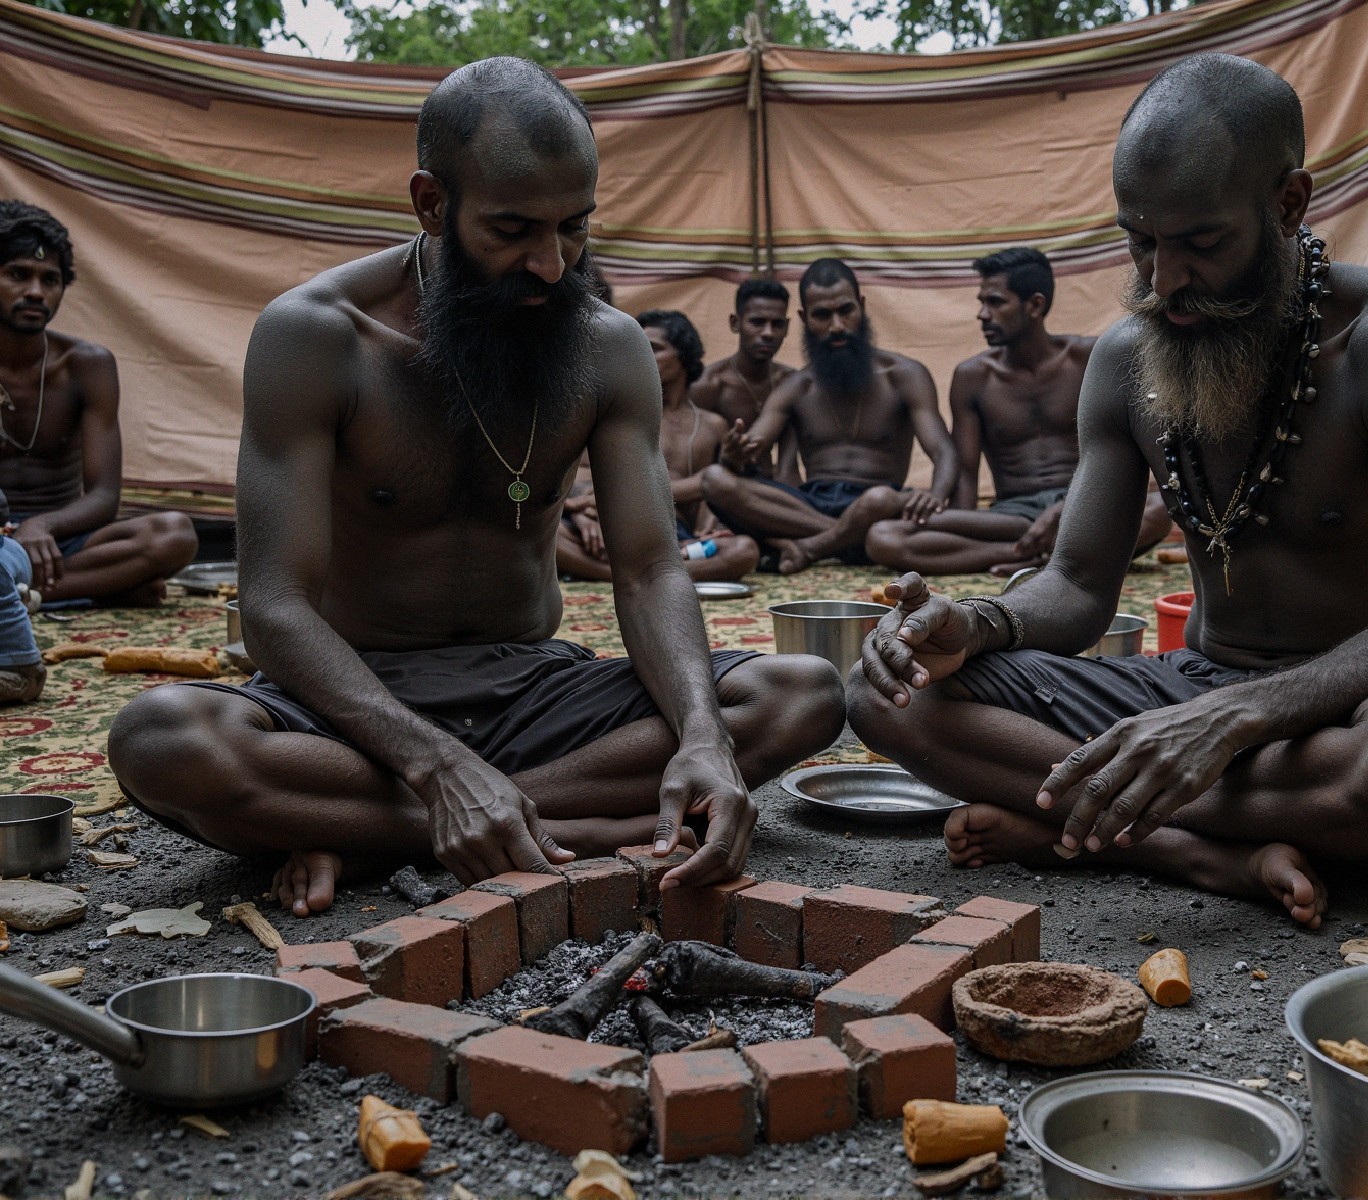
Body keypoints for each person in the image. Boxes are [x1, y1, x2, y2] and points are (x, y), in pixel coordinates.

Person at [106, 59, 844, 917]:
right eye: (513, 230)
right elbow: (275, 608)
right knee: (162, 741)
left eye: (575, 227)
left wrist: (705, 739)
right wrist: (437, 766)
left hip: (533, 688)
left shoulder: (607, 346)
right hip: (356, 705)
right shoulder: (315, 338)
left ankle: (375, 832)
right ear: (430, 204)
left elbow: (647, 569)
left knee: (801, 693)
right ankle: (578, 825)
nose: (551, 266)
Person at [847, 53, 1368, 928]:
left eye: (1200, 244)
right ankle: (1186, 848)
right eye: (1139, 242)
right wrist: (974, 625)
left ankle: (1092, 822)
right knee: (875, 691)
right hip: (1192, 696)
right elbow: (1078, 588)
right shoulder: (1126, 358)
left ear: (1289, 203)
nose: (1164, 284)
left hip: (1348, 715)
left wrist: (1229, 723)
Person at [866, 248, 1172, 576]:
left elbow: (1127, 451)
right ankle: (1031, 554)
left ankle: (1044, 547)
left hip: (1081, 502)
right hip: (1011, 515)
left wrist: (1064, 509)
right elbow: (966, 473)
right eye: (981, 302)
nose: (982, 314)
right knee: (883, 537)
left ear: (1035, 305)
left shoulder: (1088, 358)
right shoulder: (973, 377)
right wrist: (959, 524)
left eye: (995, 302)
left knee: (1159, 510)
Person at [700, 258, 960, 574]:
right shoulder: (796, 386)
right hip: (810, 506)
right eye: (822, 315)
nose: (836, 326)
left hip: (879, 502)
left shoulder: (905, 375)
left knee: (878, 500)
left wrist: (936, 494)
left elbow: (943, 449)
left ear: (861, 307)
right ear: (804, 318)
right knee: (714, 480)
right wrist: (732, 455)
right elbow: (751, 447)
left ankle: (816, 545)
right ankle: (849, 540)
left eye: (845, 311)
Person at [0, 201, 197, 606]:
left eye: (50, 280)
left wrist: (41, 526)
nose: (36, 292)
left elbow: (105, 496)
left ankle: (17, 596)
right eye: (18, 275)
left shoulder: (85, 366)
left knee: (174, 535)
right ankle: (98, 588)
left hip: (56, 544)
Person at [558, 309, 759, 582]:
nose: (639, 356)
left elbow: (715, 497)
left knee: (743, 551)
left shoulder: (713, 426)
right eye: (637, 347)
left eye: (653, 348)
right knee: (544, 531)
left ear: (685, 356)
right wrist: (583, 517)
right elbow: (578, 482)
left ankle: (640, 571)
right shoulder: (611, 414)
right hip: (607, 527)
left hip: (673, 539)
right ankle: (621, 574)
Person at [690, 276, 799, 481]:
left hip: (774, 490)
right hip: (722, 492)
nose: (768, 333)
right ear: (735, 323)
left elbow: (789, 469)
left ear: (787, 328)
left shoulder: (791, 382)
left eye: (777, 324)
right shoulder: (709, 384)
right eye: (757, 322)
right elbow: (694, 464)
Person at [0, 486, 44, 704]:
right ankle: (26, 600)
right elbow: (26, 576)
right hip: (30, 670)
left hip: (15, 675)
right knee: (20, 594)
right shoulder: (12, 547)